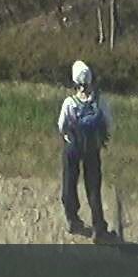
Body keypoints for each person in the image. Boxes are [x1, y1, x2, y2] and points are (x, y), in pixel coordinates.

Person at [57, 60, 113, 239]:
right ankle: (99, 226)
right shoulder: (100, 101)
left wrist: (68, 136)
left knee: (69, 183)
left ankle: (72, 219)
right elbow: (109, 124)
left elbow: (61, 126)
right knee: (93, 186)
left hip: (73, 146)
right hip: (92, 148)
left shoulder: (69, 103)